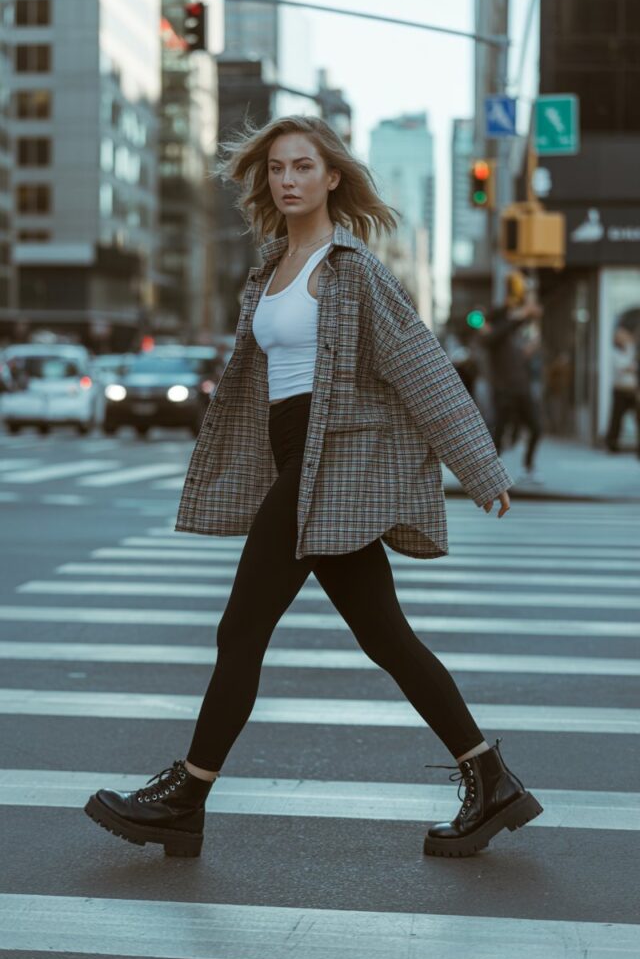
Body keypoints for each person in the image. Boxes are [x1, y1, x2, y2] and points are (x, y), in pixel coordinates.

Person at [84, 115, 543, 860]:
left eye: (303, 166)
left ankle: (187, 799)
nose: (287, 179)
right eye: (275, 169)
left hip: (330, 468)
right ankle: (490, 778)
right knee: (386, 636)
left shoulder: (351, 268)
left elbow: (421, 365)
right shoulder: (269, 268)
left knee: (242, 629)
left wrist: (481, 466)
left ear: (333, 178)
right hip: (295, 459)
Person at [483, 285, 544, 484]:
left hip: (521, 389)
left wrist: (529, 350)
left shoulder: (512, 336)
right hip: (504, 391)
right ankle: (492, 473)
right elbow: (505, 328)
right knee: (498, 433)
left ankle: (528, 467)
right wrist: (521, 314)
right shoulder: (494, 335)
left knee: (536, 427)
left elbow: (520, 350)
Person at [605, 327, 640, 456]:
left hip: (632, 390)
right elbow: (622, 368)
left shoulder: (632, 349)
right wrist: (630, 367)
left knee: (638, 418)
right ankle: (612, 444)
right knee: (616, 419)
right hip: (620, 389)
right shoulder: (614, 352)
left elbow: (634, 366)